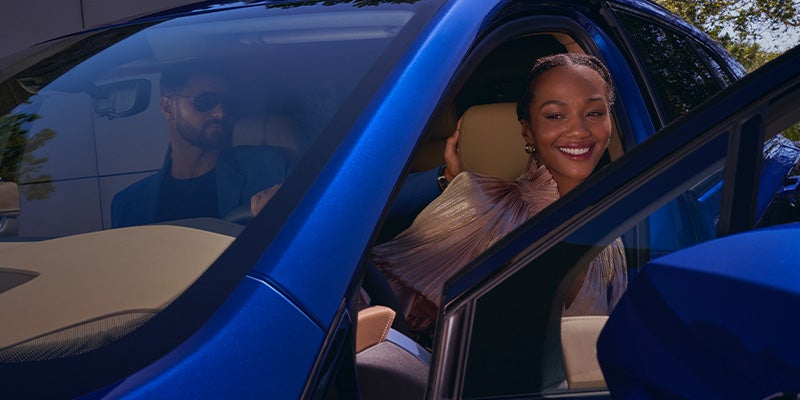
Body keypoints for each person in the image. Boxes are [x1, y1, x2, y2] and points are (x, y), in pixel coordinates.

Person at [371, 53, 628, 344]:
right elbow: (378, 310)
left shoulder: (611, 239)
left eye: (594, 113)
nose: (579, 130)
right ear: (527, 131)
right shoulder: (478, 202)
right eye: (555, 115)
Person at [111, 63, 288, 228]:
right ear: (168, 108)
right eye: (205, 101)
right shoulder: (128, 204)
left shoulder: (269, 166)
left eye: (227, 103)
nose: (221, 113)